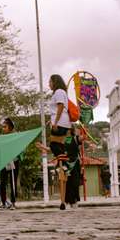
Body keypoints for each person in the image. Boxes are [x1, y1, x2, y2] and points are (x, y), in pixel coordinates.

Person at [48, 74, 72, 210]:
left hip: (60, 123)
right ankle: (63, 164)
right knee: (59, 146)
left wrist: (55, 122)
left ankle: (63, 166)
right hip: (64, 123)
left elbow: (61, 107)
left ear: (55, 82)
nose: (49, 84)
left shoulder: (58, 92)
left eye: (50, 82)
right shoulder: (62, 92)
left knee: (53, 144)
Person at [0, 117, 19, 210]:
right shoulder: (2, 137)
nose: (3, 129)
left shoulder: (16, 136)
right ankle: (3, 202)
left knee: (13, 182)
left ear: (10, 127)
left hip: (14, 162)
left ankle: (13, 202)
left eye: (5, 127)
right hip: (4, 162)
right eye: (2, 127)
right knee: (3, 183)